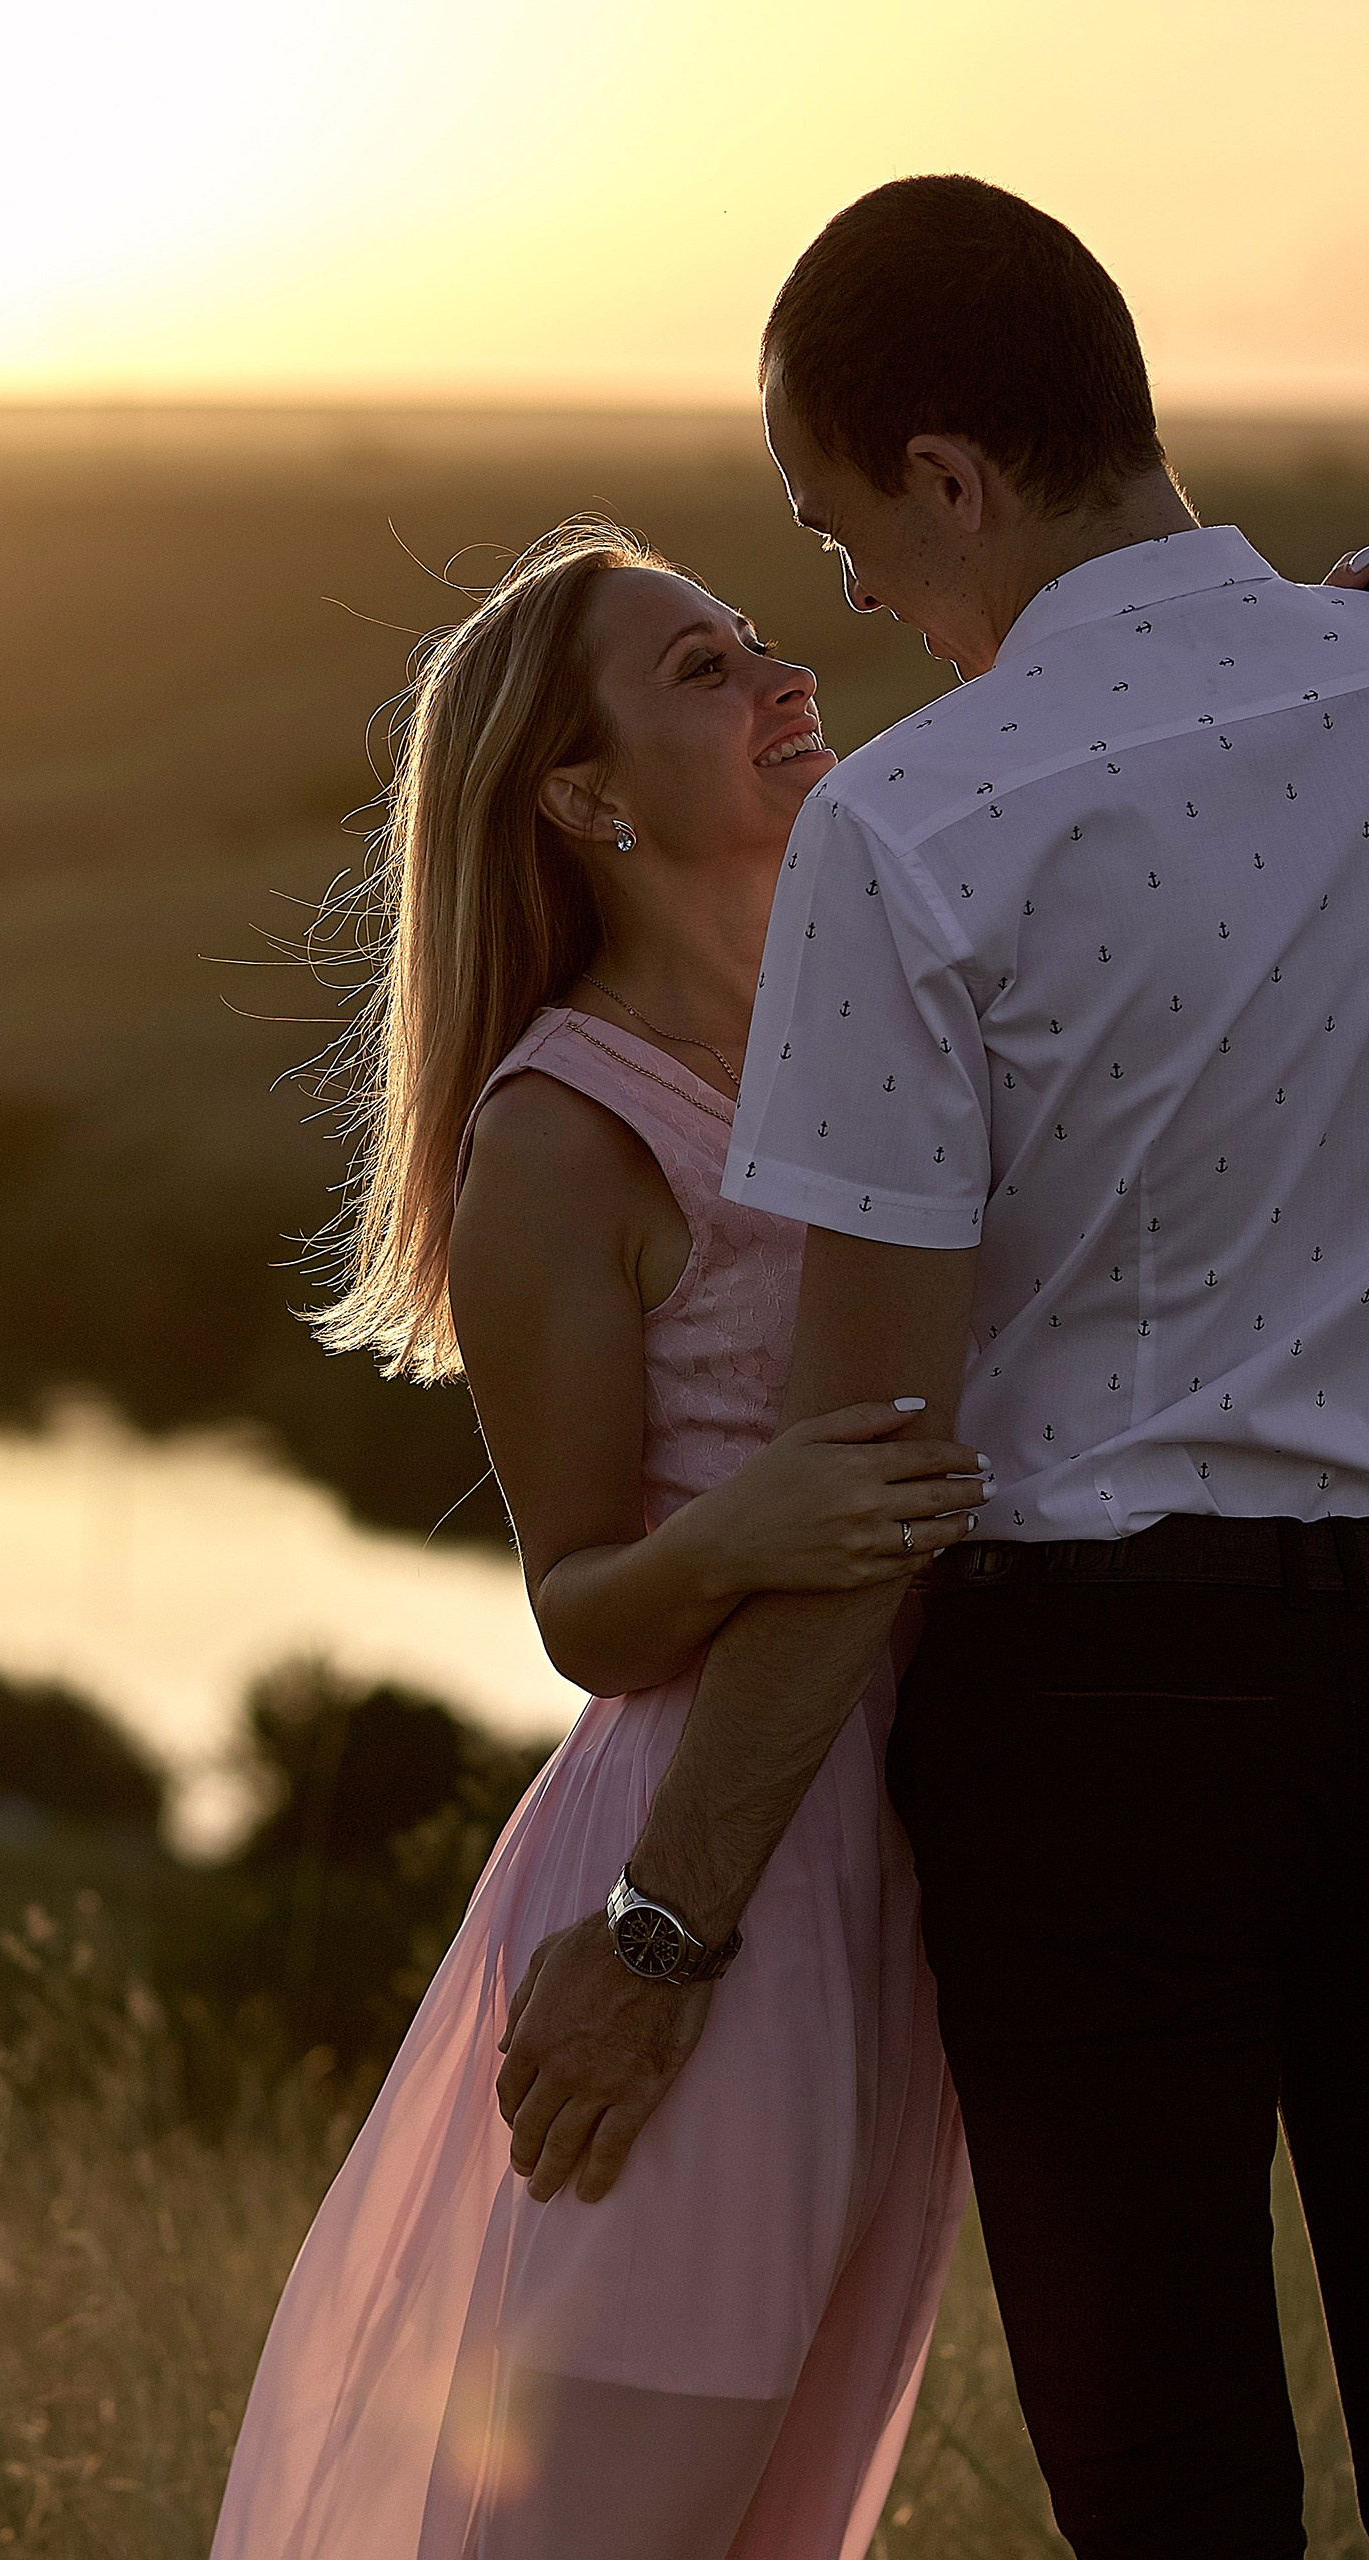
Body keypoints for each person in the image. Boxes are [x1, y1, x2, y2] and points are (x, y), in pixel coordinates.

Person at [491, 176, 1369, 2560]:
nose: (852, 602)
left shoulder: (920, 819)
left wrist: (661, 1931)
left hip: (1101, 1737)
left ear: (955, 477)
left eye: (840, 528)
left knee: (1173, 2473)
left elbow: (866, 1466)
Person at [208, 510, 985, 2560]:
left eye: (746, 634)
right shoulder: (559, 1132)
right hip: (711, 1862)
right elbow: (578, 1610)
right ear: (575, 794)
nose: (778, 671)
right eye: (700, 672)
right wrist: (756, 1521)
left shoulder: (872, 1008)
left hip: (882, 1849)